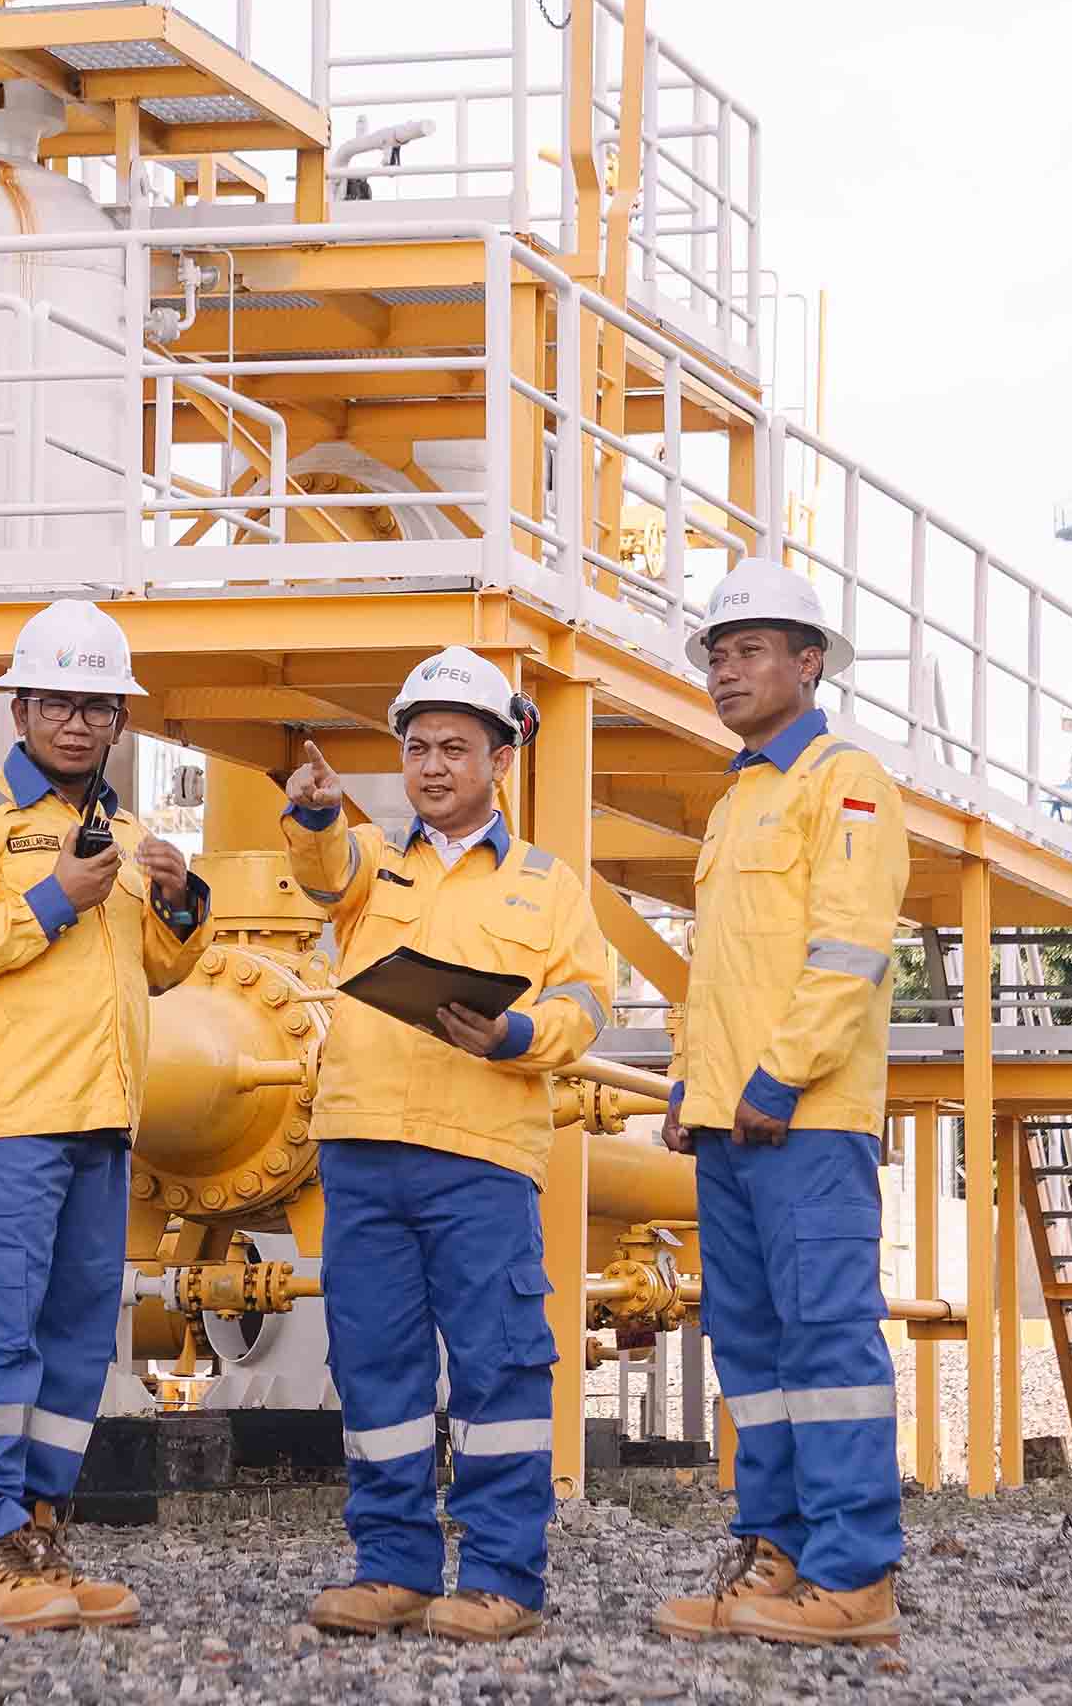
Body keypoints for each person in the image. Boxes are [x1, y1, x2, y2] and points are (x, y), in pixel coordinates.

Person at [280, 649, 614, 1645]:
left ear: (500, 760)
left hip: (481, 1154)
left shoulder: (547, 884)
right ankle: (392, 1568)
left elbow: (584, 1002)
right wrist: (313, 814)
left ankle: (504, 1576)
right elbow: (322, 872)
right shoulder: (371, 858)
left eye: (454, 748)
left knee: (497, 1369)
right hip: (364, 1149)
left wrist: (515, 1034)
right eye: (418, 746)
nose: (431, 765)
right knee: (375, 1368)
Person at [0, 599, 214, 1632]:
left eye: (95, 706)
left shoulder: (123, 834)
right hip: (6, 1119)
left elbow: (156, 971)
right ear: (21, 710)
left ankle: (38, 1530)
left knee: (78, 1341)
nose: (76, 723)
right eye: (56, 703)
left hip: (100, 1120)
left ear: (120, 720)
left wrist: (181, 900)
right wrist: (51, 898)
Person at [650, 560, 911, 1651]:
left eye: (749, 650)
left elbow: (849, 951)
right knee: (753, 1355)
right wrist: (690, 1082)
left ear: (810, 664)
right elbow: (720, 968)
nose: (725, 670)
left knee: (827, 1345)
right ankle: (780, 1555)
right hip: (731, 1120)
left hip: (805, 1119)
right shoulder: (738, 799)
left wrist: (778, 1076)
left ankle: (855, 1578)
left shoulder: (845, 783)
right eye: (717, 653)